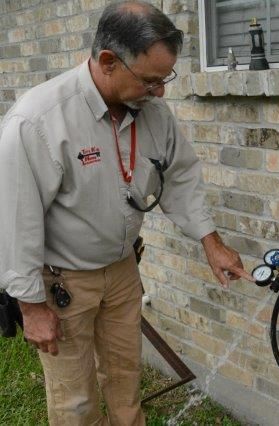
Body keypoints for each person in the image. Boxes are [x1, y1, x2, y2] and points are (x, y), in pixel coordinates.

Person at [0, 1, 253, 424]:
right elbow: (14, 221)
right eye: (151, 80)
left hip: (122, 272)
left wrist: (212, 243)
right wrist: (31, 307)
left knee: (125, 382)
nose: (161, 92)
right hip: (63, 284)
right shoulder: (37, 122)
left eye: (165, 78)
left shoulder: (154, 115)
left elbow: (181, 177)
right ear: (108, 61)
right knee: (75, 402)